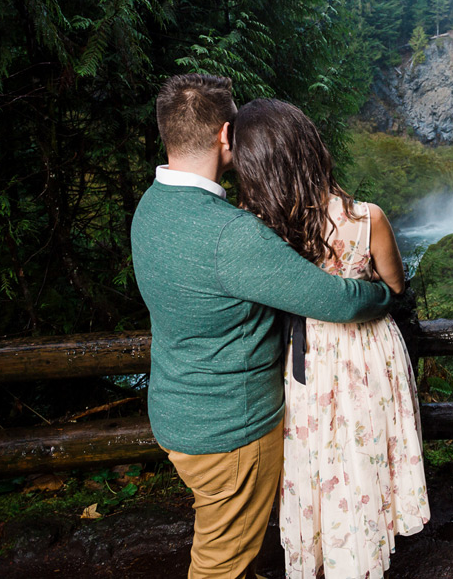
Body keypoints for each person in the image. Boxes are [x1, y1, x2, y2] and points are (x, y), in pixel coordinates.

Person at [130, 74, 394, 579]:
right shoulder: (230, 235)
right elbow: (335, 300)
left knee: (229, 542)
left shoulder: (152, 207)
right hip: (231, 430)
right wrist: (384, 295)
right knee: (219, 564)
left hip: (177, 412)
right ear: (226, 136)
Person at [231, 98, 429, 579]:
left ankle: (321, 553)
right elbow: (395, 286)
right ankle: (363, 555)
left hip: (307, 358)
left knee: (316, 455)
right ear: (311, 150)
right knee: (362, 453)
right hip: (366, 351)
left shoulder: (257, 229)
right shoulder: (368, 218)